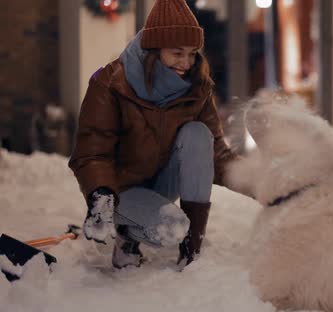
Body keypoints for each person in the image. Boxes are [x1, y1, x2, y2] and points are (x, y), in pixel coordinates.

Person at [68, 0, 237, 269]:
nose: (186, 63)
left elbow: (217, 153)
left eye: (192, 53)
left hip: (161, 182)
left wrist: (264, 184)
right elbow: (92, 152)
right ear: (153, 51)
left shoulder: (196, 88)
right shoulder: (110, 83)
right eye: (177, 53)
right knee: (171, 227)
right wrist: (102, 196)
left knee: (198, 133)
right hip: (119, 190)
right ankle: (126, 235)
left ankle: (191, 252)